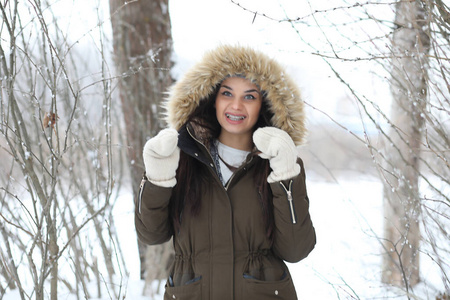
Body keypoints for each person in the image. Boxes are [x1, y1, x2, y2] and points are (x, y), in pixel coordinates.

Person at [135, 45, 316, 300]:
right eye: (227, 93)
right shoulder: (183, 158)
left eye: (250, 96)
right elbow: (151, 234)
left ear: (265, 103)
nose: (236, 105)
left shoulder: (277, 163)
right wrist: (158, 178)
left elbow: (296, 249)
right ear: (212, 97)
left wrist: (285, 174)